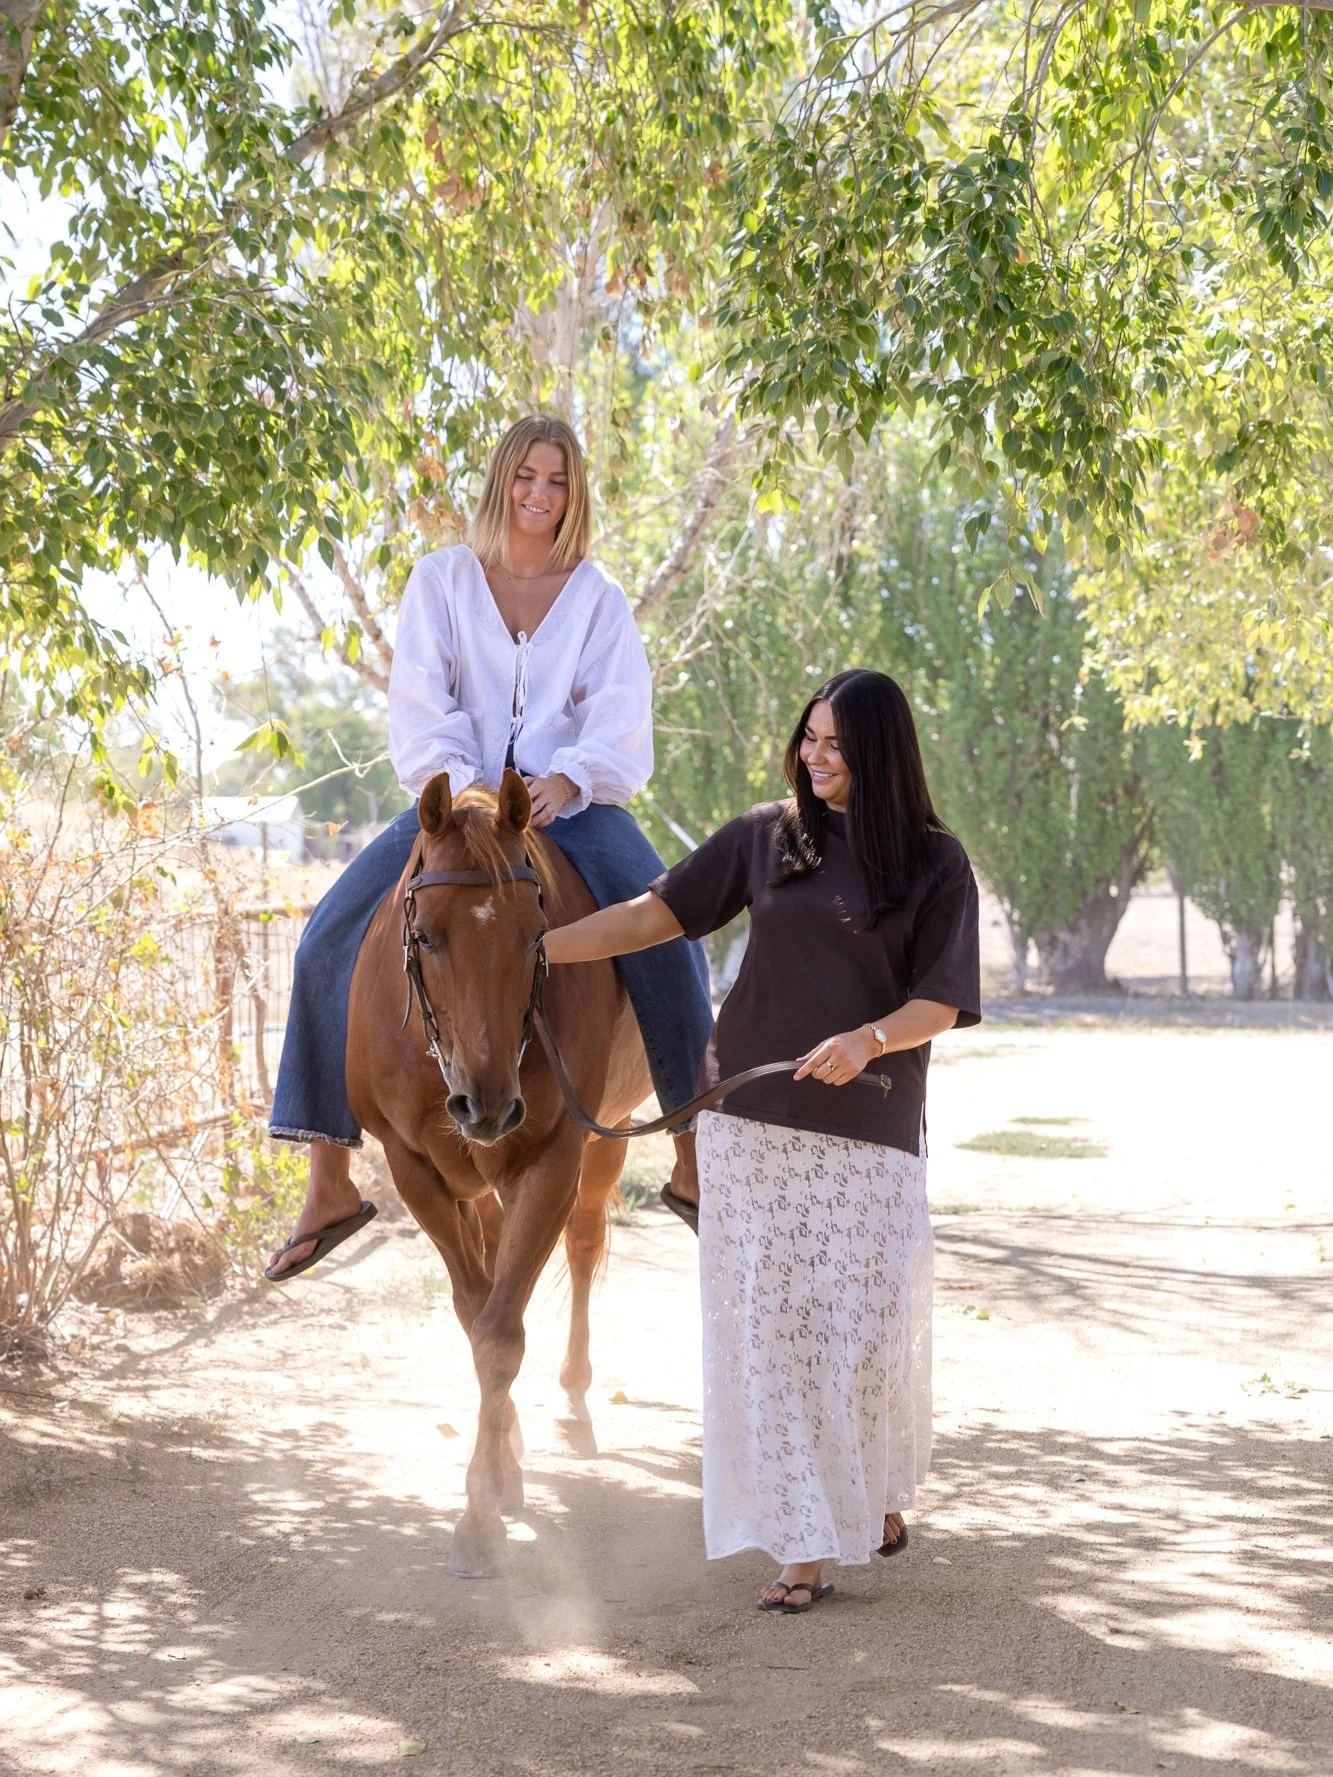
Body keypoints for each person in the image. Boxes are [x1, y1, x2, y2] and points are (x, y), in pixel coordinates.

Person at [544, 669, 981, 1614]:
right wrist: (538, 949)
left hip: (868, 1129)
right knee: (775, 1339)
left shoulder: (936, 865)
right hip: (752, 1128)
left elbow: (939, 1001)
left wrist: (868, 1037)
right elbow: (654, 914)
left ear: (882, 753)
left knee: (860, 1337)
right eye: (808, 739)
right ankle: (801, 1544)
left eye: (836, 744)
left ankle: (864, 1496)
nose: (815, 758)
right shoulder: (763, 837)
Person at [265, 415, 713, 1280]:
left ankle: (693, 1161)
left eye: (557, 481)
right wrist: (466, 793)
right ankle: (328, 1179)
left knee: (673, 936)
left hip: (564, 808)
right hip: (455, 813)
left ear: (572, 494)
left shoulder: (598, 598)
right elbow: (421, 698)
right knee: (326, 936)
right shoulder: (440, 582)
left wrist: (568, 779)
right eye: (526, 476)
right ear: (500, 480)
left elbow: (617, 715)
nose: (539, 494)